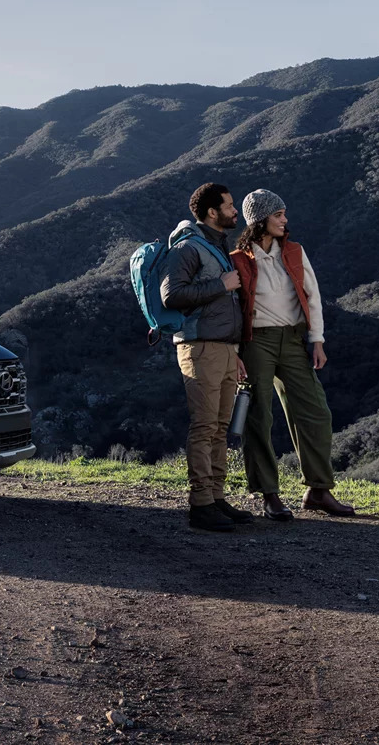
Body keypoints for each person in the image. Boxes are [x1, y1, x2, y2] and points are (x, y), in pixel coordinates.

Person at [230, 189, 354, 519]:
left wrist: (317, 341)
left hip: (295, 339)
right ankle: (269, 495)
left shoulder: (295, 252)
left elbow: (312, 296)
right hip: (256, 341)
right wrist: (234, 352)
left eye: (284, 214)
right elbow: (228, 310)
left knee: (315, 411)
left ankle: (318, 490)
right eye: (278, 215)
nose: (285, 220)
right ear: (259, 221)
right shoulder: (238, 260)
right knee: (259, 416)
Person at [160, 182, 253, 532]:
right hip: (199, 347)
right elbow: (172, 295)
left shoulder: (216, 246)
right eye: (229, 206)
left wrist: (235, 351)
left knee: (219, 428)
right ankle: (200, 504)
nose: (234, 211)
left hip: (225, 349)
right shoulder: (187, 248)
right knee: (204, 426)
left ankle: (215, 497)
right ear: (212, 212)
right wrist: (222, 286)